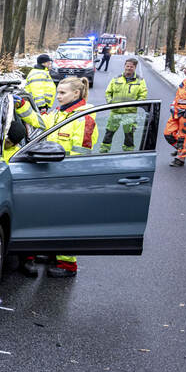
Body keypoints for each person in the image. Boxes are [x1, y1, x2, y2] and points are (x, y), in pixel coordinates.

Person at [41, 77, 98, 278]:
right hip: (51, 174)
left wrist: (71, 180)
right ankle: (53, 253)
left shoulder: (84, 118)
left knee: (66, 220)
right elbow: (40, 126)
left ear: (76, 94)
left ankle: (67, 265)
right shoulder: (58, 113)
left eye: (63, 93)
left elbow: (82, 154)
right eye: (58, 92)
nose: (58, 96)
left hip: (69, 177)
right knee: (51, 217)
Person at [100, 58, 147, 152]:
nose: (129, 68)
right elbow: (108, 93)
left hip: (130, 113)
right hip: (115, 112)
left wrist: (135, 104)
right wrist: (110, 103)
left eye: (131, 67)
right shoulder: (116, 79)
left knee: (129, 135)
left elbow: (143, 95)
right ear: (124, 66)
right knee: (109, 132)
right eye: (127, 66)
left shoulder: (140, 81)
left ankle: (128, 152)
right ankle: (104, 150)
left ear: (135, 67)